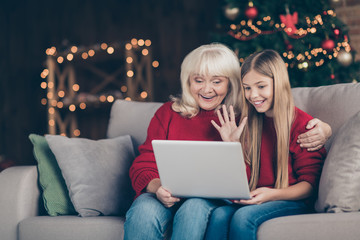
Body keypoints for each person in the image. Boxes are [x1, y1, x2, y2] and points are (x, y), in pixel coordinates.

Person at [123, 44, 331, 240]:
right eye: (198, 80)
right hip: (165, 193)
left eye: (216, 81)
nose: (207, 89)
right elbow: (144, 163)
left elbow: (250, 179)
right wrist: (158, 187)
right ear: (187, 81)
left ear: (231, 84)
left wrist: (325, 129)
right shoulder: (168, 114)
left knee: (194, 208)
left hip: (213, 200)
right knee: (143, 211)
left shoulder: (246, 117)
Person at [205, 49, 327, 240]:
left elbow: (310, 186)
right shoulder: (247, 123)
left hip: (293, 200)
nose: (253, 95)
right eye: (247, 88)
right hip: (257, 197)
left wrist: (271, 195)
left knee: (243, 218)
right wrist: (232, 146)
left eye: (261, 86)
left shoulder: (303, 125)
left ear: (278, 84)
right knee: (219, 215)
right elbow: (242, 180)